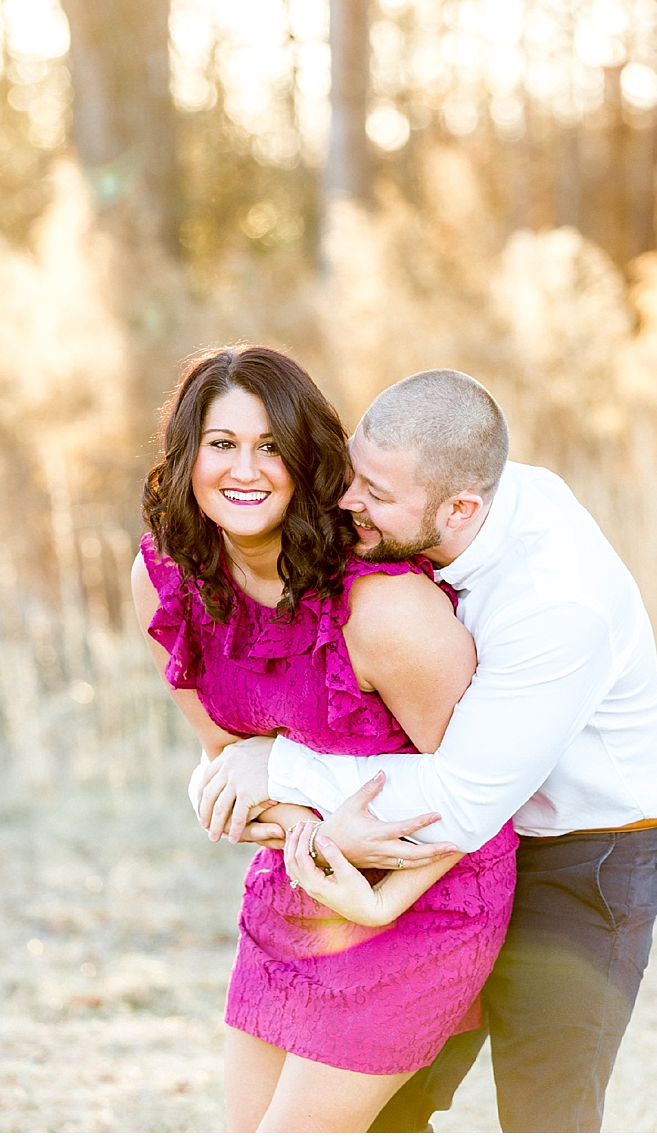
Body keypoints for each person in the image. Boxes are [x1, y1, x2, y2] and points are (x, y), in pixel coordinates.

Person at [190, 368, 657, 1133]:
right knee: (388, 1110)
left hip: (585, 857)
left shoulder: (558, 604)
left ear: (463, 509)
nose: (347, 502)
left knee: (544, 1113)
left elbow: (460, 799)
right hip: (452, 855)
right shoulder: (441, 491)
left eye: (375, 496)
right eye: (354, 474)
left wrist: (277, 768)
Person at [128, 346, 519, 1132]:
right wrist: (304, 830)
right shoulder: (164, 582)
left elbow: (486, 792)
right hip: (294, 890)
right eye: (222, 443)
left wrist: (369, 883)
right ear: (186, 457)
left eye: (271, 445)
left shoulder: (384, 611)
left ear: (308, 459)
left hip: (427, 901)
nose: (247, 469)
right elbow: (229, 771)